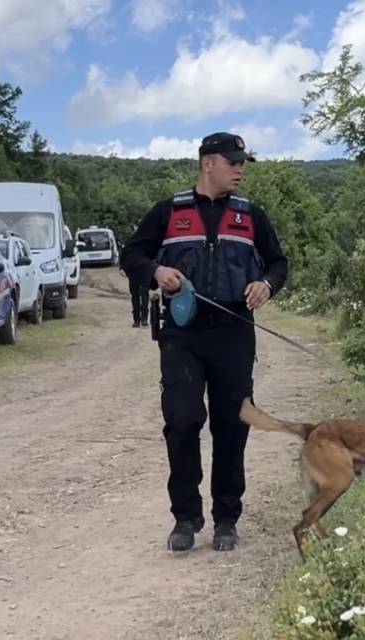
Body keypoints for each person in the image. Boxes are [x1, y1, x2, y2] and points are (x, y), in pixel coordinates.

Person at [120, 132, 289, 552]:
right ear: (207, 163)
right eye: (232, 162)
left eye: (242, 162)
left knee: (232, 425)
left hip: (234, 331)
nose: (239, 169)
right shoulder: (168, 212)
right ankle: (185, 517)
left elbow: (279, 263)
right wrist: (156, 273)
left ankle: (226, 518)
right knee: (182, 420)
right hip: (183, 332)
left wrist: (266, 285)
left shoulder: (251, 217)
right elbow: (132, 255)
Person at [119, 237, 150, 327]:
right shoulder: (130, 243)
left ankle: (144, 318)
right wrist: (122, 268)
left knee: (144, 295)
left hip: (145, 272)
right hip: (133, 272)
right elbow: (123, 256)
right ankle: (136, 319)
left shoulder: (148, 243)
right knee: (135, 296)